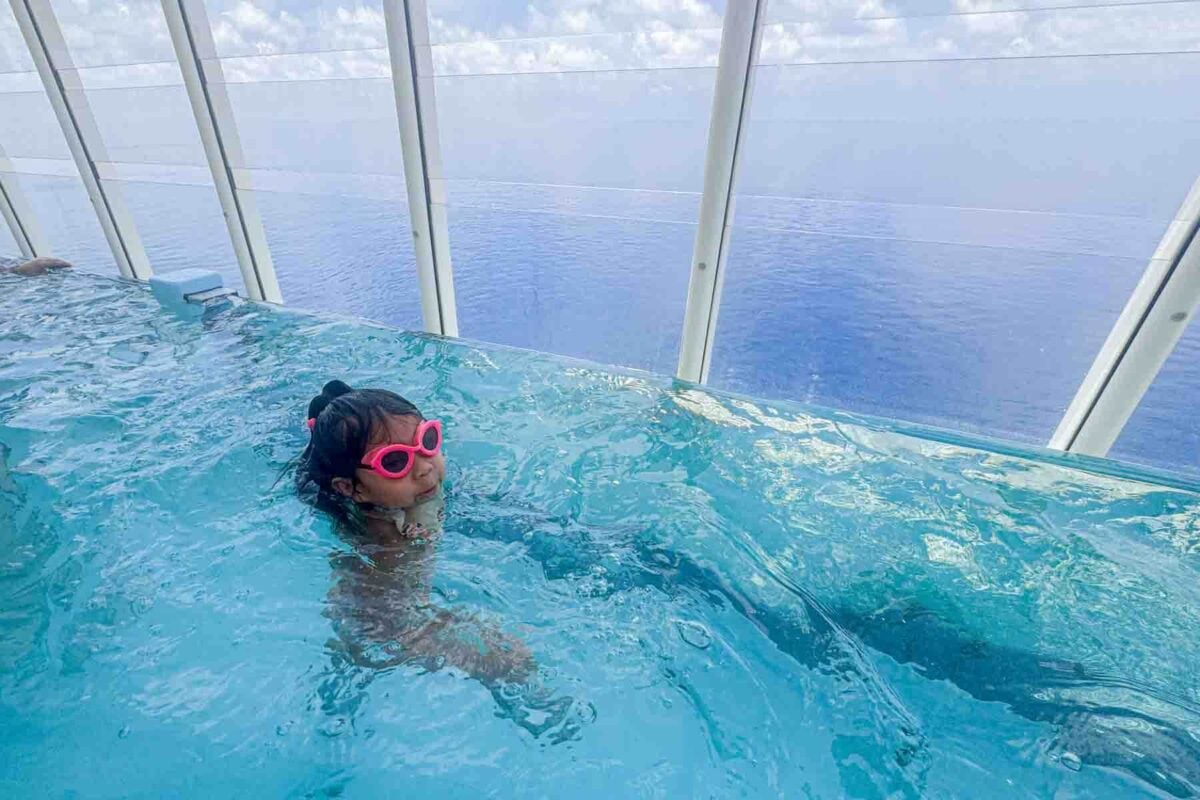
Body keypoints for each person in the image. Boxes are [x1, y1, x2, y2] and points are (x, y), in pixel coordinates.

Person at [296, 380, 535, 686]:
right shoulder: (378, 543)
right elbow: (373, 634)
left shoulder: (426, 486)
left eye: (427, 440)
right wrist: (475, 654)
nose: (424, 468)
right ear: (351, 488)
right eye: (395, 461)